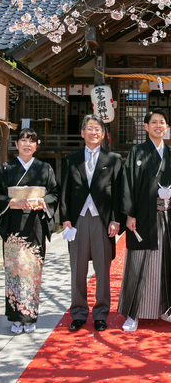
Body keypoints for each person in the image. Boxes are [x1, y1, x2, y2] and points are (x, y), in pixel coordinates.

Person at [0, 128, 59, 334]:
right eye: (23, 140)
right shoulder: (6, 168)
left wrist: (42, 201)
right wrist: (12, 202)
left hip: (35, 224)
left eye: (32, 141)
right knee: (14, 272)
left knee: (32, 271)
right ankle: (15, 317)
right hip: (13, 224)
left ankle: (29, 316)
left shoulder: (45, 168)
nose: (27, 144)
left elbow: (54, 192)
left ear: (37, 146)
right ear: (16, 144)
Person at [60, 114, 123, 332]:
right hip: (77, 220)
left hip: (102, 220)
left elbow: (118, 193)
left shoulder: (113, 159)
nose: (93, 132)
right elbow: (64, 192)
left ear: (103, 134)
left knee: (102, 268)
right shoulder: (71, 159)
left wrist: (116, 219)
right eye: (89, 128)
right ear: (82, 132)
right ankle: (78, 312)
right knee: (77, 268)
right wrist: (65, 219)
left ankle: (101, 312)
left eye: (97, 128)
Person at [118, 107, 171, 332]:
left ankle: (164, 308)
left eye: (162, 122)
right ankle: (133, 314)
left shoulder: (170, 153)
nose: (158, 126)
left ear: (167, 127)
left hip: (166, 216)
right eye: (154, 122)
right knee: (138, 264)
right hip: (142, 217)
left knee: (165, 263)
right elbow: (128, 183)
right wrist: (129, 214)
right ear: (146, 126)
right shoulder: (137, 152)